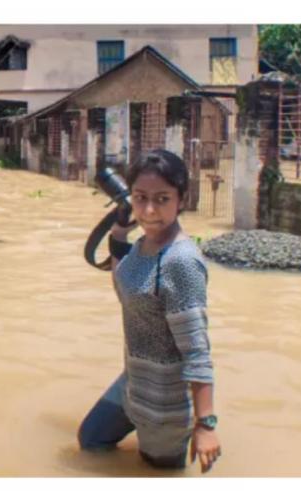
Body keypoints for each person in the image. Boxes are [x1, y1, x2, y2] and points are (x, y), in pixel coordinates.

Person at [77, 150, 221, 473]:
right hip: (133, 383)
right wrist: (118, 233)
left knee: (156, 473)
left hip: (164, 403)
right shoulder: (143, 246)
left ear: (182, 200)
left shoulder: (180, 262)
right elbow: (124, 288)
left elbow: (197, 351)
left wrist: (206, 425)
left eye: (162, 199)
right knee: (91, 439)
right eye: (140, 198)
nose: (149, 210)